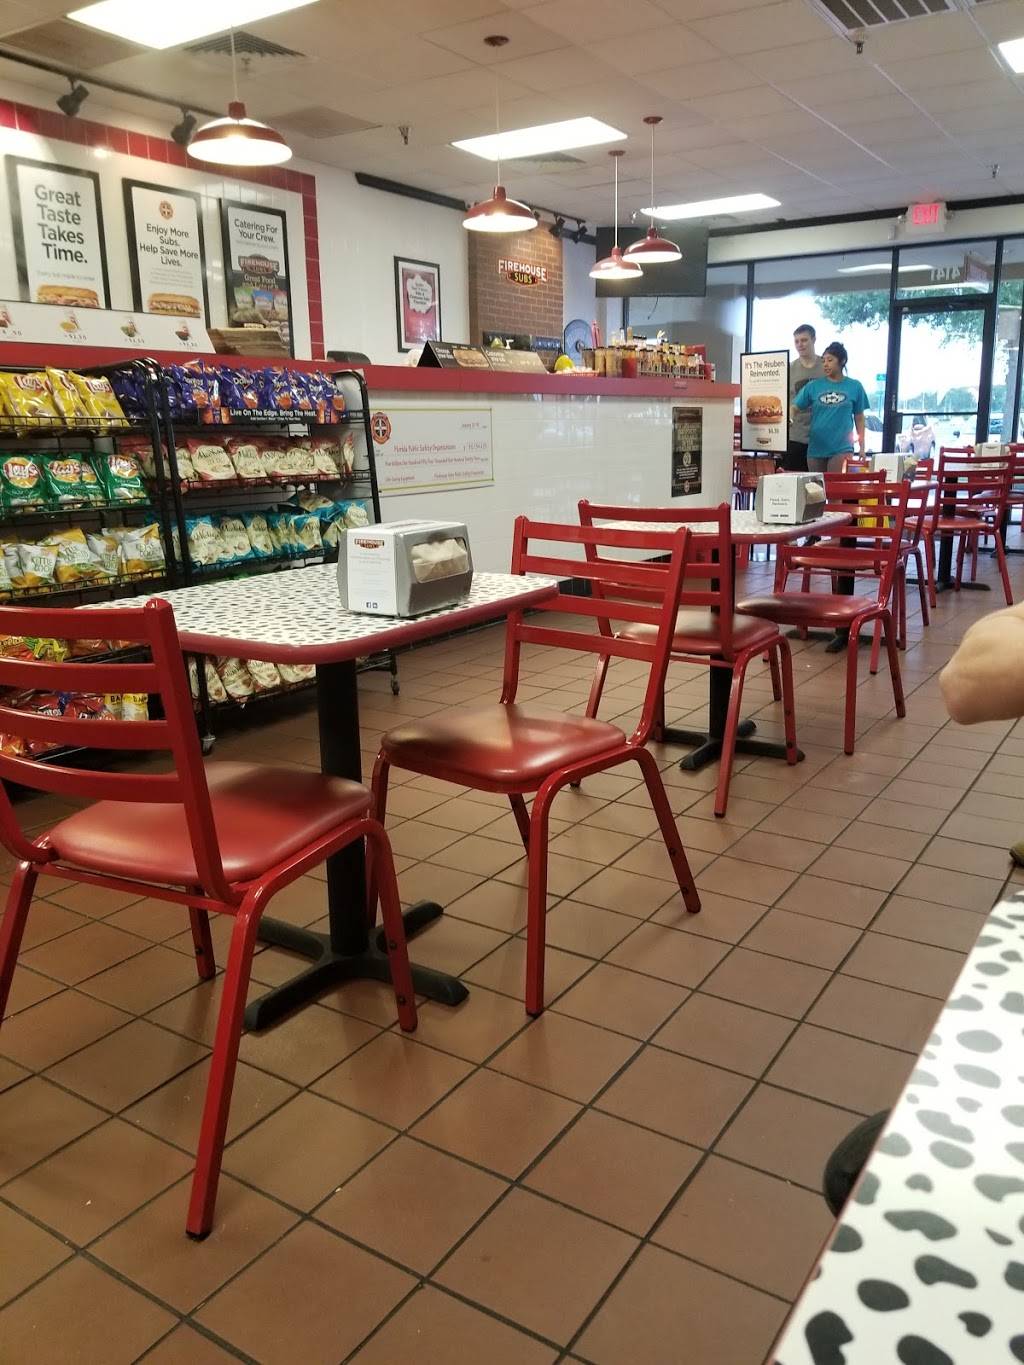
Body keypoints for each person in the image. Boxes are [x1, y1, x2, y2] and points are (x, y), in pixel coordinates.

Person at [792, 341, 868, 475]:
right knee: (816, 488)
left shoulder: (855, 386)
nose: (825, 364)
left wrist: (862, 447)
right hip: (816, 447)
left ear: (842, 361)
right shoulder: (813, 386)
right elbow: (795, 407)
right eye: (823, 361)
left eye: (830, 360)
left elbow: (859, 418)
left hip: (842, 447)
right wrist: (789, 417)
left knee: (835, 487)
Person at [785, 324, 826, 472]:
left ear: (813, 340)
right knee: (793, 480)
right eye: (796, 341)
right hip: (796, 436)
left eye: (804, 340)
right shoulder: (789, 369)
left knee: (819, 483)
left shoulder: (826, 366)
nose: (800, 344)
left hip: (823, 437)